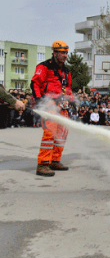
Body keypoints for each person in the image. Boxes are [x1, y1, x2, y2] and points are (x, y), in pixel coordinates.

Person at [30, 40, 74, 177]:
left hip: (63, 106)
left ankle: (55, 160)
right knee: (49, 133)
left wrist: (72, 101)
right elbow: (35, 84)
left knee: (62, 134)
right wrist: (39, 100)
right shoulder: (44, 67)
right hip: (49, 104)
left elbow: (68, 89)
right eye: (62, 53)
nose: (65, 56)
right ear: (54, 53)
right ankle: (43, 164)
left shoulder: (66, 71)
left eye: (66, 53)